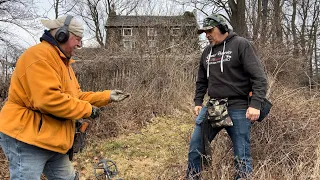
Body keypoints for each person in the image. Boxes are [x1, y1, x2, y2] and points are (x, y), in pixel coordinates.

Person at [0, 15, 129, 180]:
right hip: (27, 138)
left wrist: (107, 96)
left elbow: (76, 97)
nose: (80, 44)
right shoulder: (39, 57)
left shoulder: (62, 62)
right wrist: (88, 110)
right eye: (77, 39)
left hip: (53, 139)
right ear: (62, 35)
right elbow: (49, 100)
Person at [186, 14, 267, 179]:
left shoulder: (241, 44)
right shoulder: (207, 52)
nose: (207, 35)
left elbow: (259, 78)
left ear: (222, 28)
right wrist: (198, 101)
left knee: (241, 155)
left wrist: (256, 104)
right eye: (204, 32)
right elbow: (201, 80)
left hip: (238, 107)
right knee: (196, 146)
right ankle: (192, 177)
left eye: (210, 30)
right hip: (213, 106)